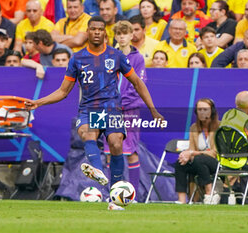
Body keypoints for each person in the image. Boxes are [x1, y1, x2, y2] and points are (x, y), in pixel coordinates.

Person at [25, 16, 164, 210]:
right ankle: (97, 170)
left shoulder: (116, 55)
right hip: (90, 108)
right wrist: (38, 102)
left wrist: (153, 110)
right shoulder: (77, 58)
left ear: (104, 33)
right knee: (87, 133)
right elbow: (63, 91)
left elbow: (137, 82)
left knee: (116, 143)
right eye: (93, 29)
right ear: (87, 32)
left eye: (100, 29)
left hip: (112, 108)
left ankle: (114, 196)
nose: (97, 32)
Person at [103, 20, 147, 199]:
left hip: (130, 110)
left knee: (131, 152)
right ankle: (112, 193)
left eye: (125, 33)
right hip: (111, 111)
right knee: (109, 153)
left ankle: (132, 196)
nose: (121, 36)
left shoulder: (138, 59)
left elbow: (138, 85)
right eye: (118, 33)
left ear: (131, 35)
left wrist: (122, 103)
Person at [175, 98, 220, 204]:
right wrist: (186, 155)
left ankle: (209, 194)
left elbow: (214, 153)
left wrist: (192, 153)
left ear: (212, 111)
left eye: (205, 109)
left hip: (215, 162)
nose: (202, 112)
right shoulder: (194, 127)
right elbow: (192, 149)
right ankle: (182, 200)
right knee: (180, 163)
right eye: (199, 110)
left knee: (199, 159)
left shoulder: (220, 127)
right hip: (198, 161)